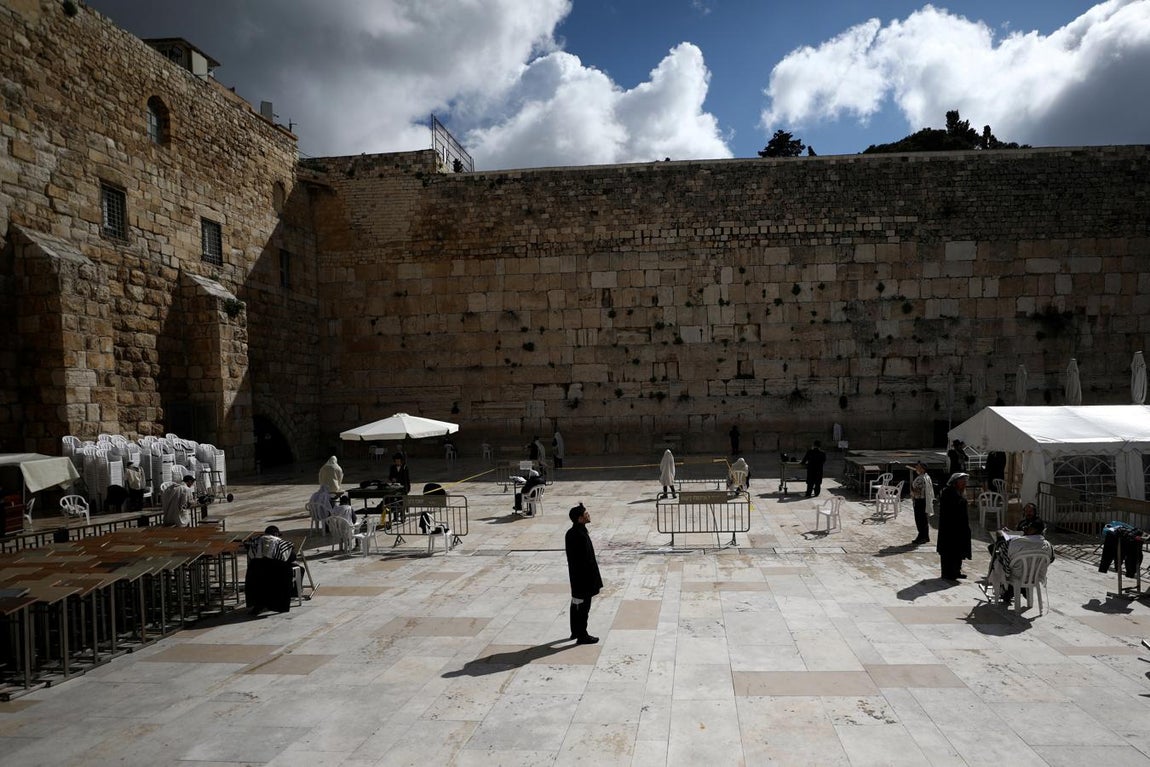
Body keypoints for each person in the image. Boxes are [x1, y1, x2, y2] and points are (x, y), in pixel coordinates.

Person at [989, 516, 1053, 605]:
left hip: (1015, 575)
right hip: (1035, 576)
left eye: (1027, 527)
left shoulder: (1015, 542)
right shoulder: (1048, 545)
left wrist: (1000, 536)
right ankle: (1021, 590)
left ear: (1031, 529)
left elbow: (1002, 555)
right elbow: (1051, 559)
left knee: (997, 560)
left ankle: (1009, 589)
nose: (1024, 528)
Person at [565, 503, 602, 645]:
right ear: (580, 518)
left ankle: (575, 631)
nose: (588, 515)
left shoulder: (574, 532)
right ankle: (582, 635)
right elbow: (583, 560)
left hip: (578, 578)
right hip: (583, 578)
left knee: (576, 604)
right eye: (586, 514)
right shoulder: (578, 535)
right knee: (583, 607)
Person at [244, 525, 298, 616]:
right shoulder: (281, 543)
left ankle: (258, 606)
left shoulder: (254, 542)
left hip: (257, 574)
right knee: (290, 570)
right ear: (276, 534)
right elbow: (292, 557)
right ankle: (281, 605)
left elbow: (247, 548)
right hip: (276, 574)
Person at [936, 472, 972, 580]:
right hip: (950, 529)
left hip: (959, 529)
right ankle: (948, 573)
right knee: (949, 551)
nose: (964, 484)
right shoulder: (948, 493)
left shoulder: (959, 493)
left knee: (958, 551)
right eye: (962, 481)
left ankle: (956, 571)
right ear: (955, 482)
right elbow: (951, 510)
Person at [909, 462, 934, 545]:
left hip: (920, 501)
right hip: (924, 500)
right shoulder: (926, 477)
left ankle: (921, 537)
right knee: (924, 520)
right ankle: (925, 537)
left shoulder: (921, 478)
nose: (916, 467)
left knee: (920, 520)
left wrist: (912, 489)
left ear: (922, 469)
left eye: (918, 467)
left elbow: (917, 491)